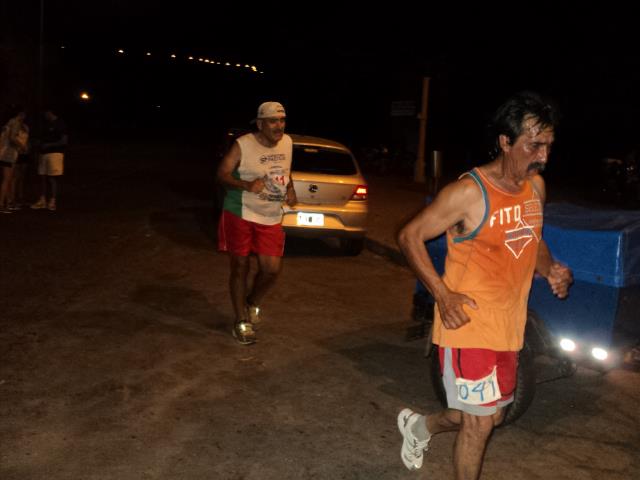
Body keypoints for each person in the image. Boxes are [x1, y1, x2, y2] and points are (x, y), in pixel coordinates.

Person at [396, 91, 573, 479]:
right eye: (534, 145)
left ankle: (419, 426)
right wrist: (442, 295)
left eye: (548, 146)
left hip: (509, 327)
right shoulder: (469, 193)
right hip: (468, 325)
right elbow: (410, 236)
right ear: (505, 141)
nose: (543, 156)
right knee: (478, 425)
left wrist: (551, 269)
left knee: (489, 416)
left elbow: (532, 239)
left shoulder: (536, 188)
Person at [217, 101, 297, 345]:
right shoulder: (243, 144)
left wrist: (290, 189)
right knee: (240, 266)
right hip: (240, 212)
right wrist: (246, 184)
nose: (279, 126)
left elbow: (286, 170)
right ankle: (241, 320)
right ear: (260, 124)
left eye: (282, 120)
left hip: (270, 216)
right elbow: (222, 173)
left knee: (271, 270)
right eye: (273, 121)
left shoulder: (287, 142)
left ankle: (251, 302)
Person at [31, 109, 68, 212]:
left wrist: (49, 145)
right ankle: (42, 200)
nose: (45, 115)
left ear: (50, 112)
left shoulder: (60, 124)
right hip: (43, 153)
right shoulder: (45, 124)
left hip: (55, 153)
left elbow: (64, 141)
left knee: (52, 178)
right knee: (42, 177)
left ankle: (52, 201)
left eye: (46, 113)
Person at [0, 107, 28, 214]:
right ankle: (1, 204)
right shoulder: (15, 122)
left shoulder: (8, 123)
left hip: (4, 153)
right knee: (7, 180)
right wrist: (22, 146)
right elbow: (12, 138)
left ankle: (8, 203)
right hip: (8, 154)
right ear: (21, 114)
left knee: (7, 179)